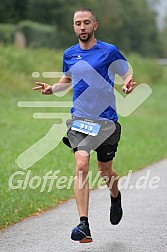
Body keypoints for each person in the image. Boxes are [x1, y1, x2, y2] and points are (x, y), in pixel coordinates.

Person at [33, 8, 136, 243]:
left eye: (86, 23)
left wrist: (129, 83)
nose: (82, 27)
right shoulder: (69, 54)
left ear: (95, 25)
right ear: (73, 27)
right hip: (80, 120)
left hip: (106, 122)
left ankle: (115, 195)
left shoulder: (108, 51)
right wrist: (52, 89)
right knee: (81, 164)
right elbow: (67, 79)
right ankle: (84, 225)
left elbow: (126, 72)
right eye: (78, 23)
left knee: (105, 171)